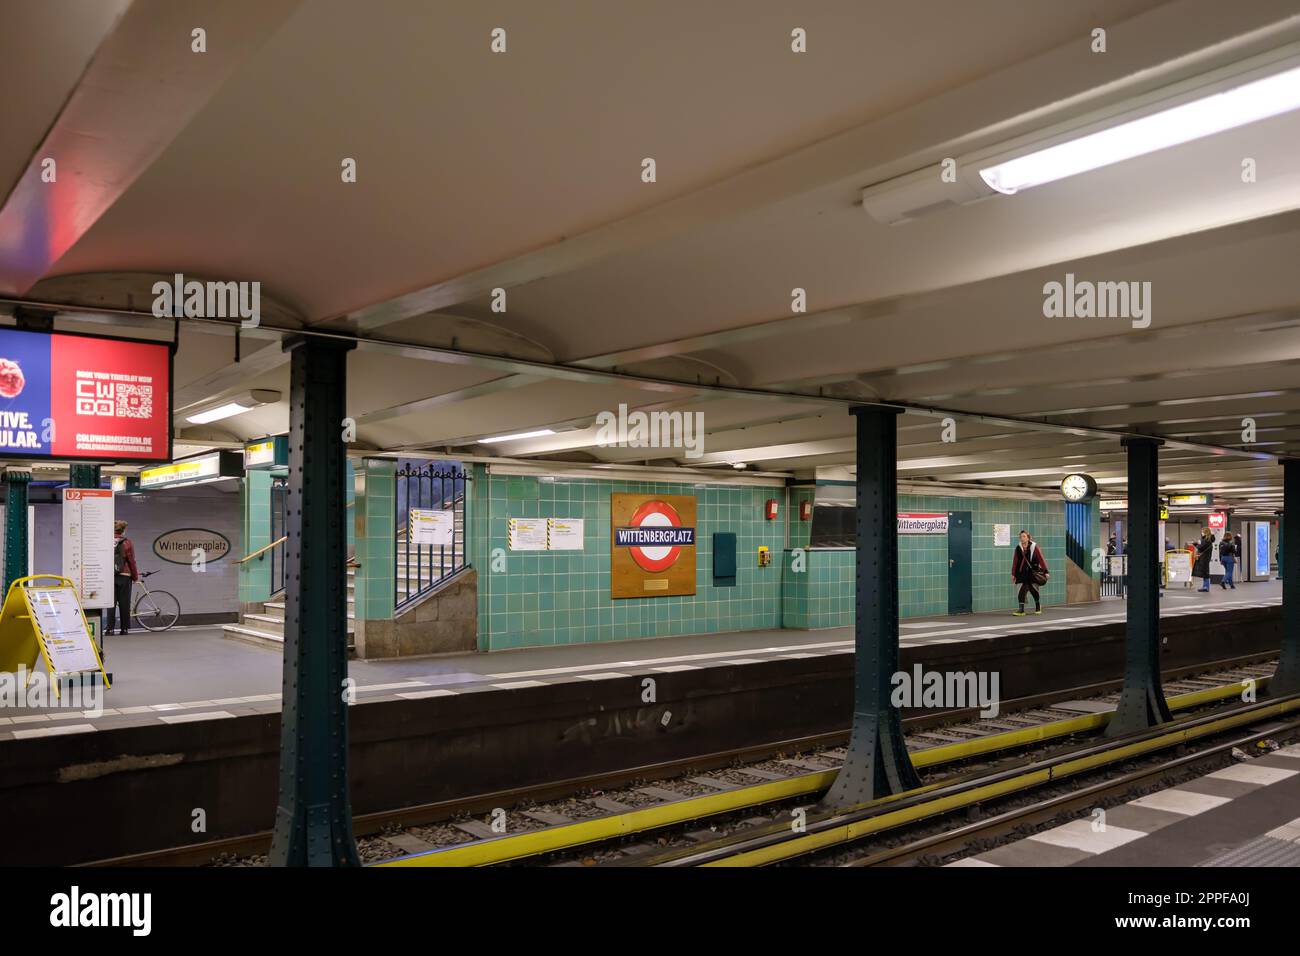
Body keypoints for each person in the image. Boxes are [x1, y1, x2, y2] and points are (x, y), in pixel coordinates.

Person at [107, 519, 139, 634]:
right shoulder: (127, 542)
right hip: (125, 575)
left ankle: (109, 629)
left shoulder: (106, 541)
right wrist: (135, 577)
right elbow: (131, 561)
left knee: (111, 603)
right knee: (124, 603)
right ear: (123, 530)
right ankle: (124, 628)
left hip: (110, 576)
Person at [1011, 530, 1049, 616]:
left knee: (1033, 590)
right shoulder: (1018, 548)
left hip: (1033, 572)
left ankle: (1038, 606)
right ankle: (1021, 610)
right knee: (1021, 590)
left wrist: (1046, 571)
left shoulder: (1034, 547)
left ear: (1028, 538)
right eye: (1020, 537)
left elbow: (1041, 559)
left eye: (1024, 536)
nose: (1022, 538)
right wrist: (1013, 574)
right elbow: (1015, 562)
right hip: (1021, 573)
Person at [1193, 527, 1214, 593]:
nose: (1201, 533)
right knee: (1205, 572)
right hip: (1206, 557)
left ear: (1205, 532)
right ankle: (1205, 586)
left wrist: (1196, 544)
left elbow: (1201, 547)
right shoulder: (1208, 539)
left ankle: (1206, 587)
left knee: (1205, 572)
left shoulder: (1207, 540)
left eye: (1202, 531)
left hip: (1205, 557)